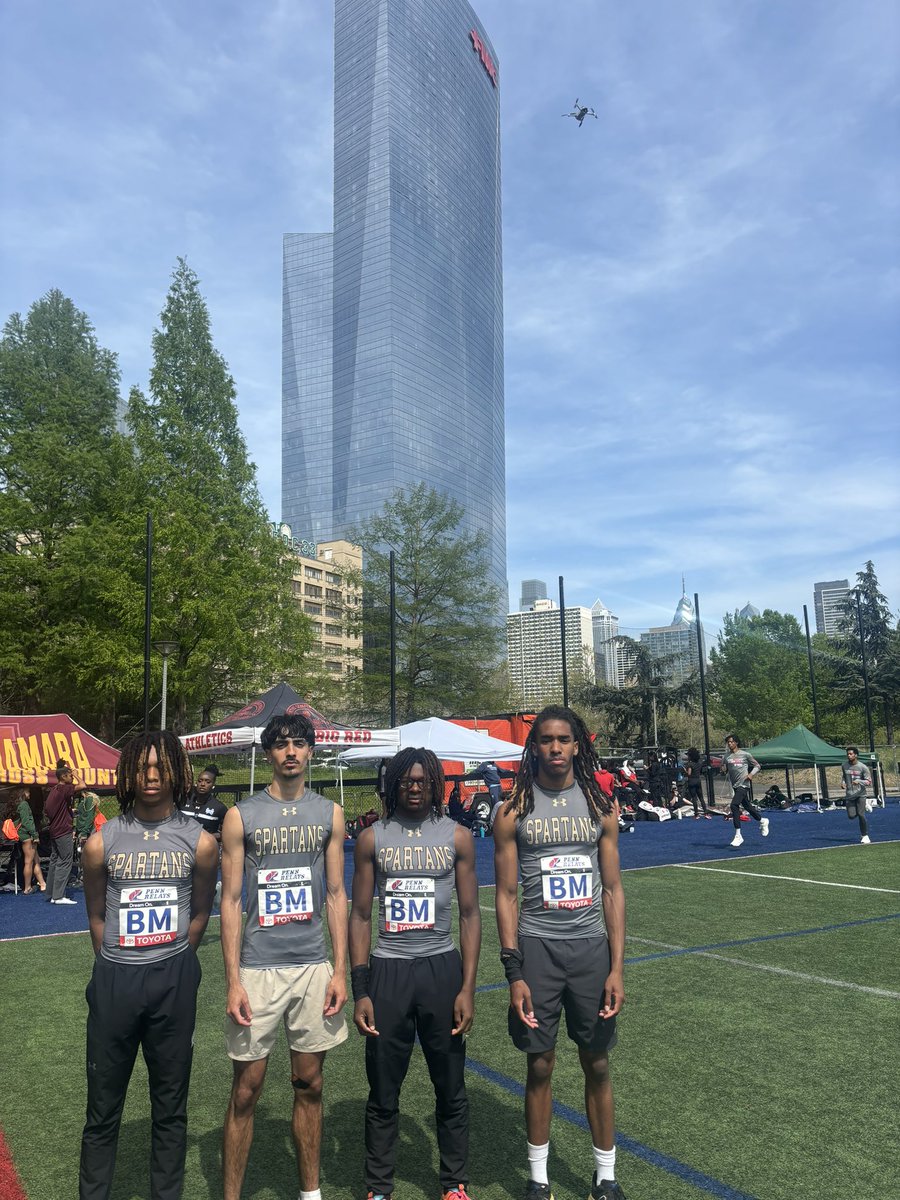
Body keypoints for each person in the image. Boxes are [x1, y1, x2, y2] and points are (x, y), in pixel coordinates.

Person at [494, 705, 627, 1200]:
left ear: (577, 745)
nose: (554, 748)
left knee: (596, 1062)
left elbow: (612, 889)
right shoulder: (511, 810)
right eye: (545, 739)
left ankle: (606, 1176)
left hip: (591, 950)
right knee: (540, 1064)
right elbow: (505, 894)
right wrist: (514, 971)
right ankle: (538, 1179)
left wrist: (616, 967)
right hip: (537, 949)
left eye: (563, 740)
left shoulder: (600, 805)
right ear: (534, 747)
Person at [78, 731, 219, 1200]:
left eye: (160, 767)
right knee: (102, 1110)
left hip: (173, 978)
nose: (152, 776)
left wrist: (172, 958)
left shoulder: (200, 843)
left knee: (170, 1109)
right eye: (143, 767)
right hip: (116, 979)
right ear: (128, 774)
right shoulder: (101, 843)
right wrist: (121, 963)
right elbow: (97, 916)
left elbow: (199, 912)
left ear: (176, 771)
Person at [220, 713, 348, 1200]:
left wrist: (339, 969)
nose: (290, 752)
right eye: (280, 745)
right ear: (268, 754)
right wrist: (232, 980)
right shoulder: (242, 815)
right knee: (247, 1089)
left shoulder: (330, 813)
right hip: (258, 969)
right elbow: (229, 901)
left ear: (311, 751)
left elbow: (336, 893)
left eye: (298, 743)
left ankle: (310, 1194)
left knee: (309, 1083)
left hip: (313, 967)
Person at [349, 749, 481, 1200]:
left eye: (423, 780)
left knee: (450, 1086)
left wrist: (467, 987)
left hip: (440, 969)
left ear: (436, 784)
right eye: (406, 779)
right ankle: (378, 1187)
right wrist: (360, 988)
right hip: (389, 971)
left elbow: (468, 914)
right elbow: (361, 916)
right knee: (383, 1091)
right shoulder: (371, 839)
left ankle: (454, 1183)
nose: (415, 786)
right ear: (393, 784)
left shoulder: (458, 837)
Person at [45, 759, 86, 904]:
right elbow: (83, 785)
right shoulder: (64, 788)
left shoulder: (54, 790)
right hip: (63, 830)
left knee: (55, 860)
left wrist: (69, 811)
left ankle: (51, 893)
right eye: (69, 775)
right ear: (63, 777)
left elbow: (51, 810)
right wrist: (76, 775)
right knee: (65, 860)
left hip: (55, 829)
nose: (71, 777)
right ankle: (59, 896)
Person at [720, 735, 768, 849]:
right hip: (735, 786)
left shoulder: (745, 754)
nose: (729, 744)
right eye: (728, 742)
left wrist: (751, 774)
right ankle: (762, 820)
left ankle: (738, 835)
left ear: (736, 742)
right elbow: (723, 771)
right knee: (748, 807)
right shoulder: (726, 756)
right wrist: (722, 770)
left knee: (734, 805)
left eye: (731, 742)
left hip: (744, 784)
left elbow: (757, 765)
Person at [2, 786, 46, 893]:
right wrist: (35, 835)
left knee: (35, 860)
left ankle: (43, 883)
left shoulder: (14, 805)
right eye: (28, 791)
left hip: (21, 834)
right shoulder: (24, 805)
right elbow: (27, 822)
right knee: (29, 862)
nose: (29, 793)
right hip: (27, 835)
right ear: (22, 793)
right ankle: (27, 887)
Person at [184, 764, 228, 841]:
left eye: (208, 782)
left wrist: (207, 837)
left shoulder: (220, 808)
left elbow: (228, 833)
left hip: (206, 849)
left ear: (213, 785)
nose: (203, 784)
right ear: (196, 783)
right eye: (200, 781)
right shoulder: (182, 802)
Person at [841, 747, 873, 844]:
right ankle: (866, 806)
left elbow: (869, 782)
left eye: (851, 754)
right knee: (851, 816)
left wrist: (859, 781)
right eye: (848, 754)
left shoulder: (863, 767)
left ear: (856, 755)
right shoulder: (844, 765)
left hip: (861, 794)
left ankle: (865, 835)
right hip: (850, 795)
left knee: (861, 814)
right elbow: (844, 776)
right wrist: (842, 783)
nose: (849, 755)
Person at [684, 748, 711, 819]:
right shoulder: (699, 763)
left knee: (694, 798)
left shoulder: (690, 764)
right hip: (698, 780)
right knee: (701, 797)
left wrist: (685, 771)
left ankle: (696, 814)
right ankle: (706, 813)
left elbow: (689, 773)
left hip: (691, 781)